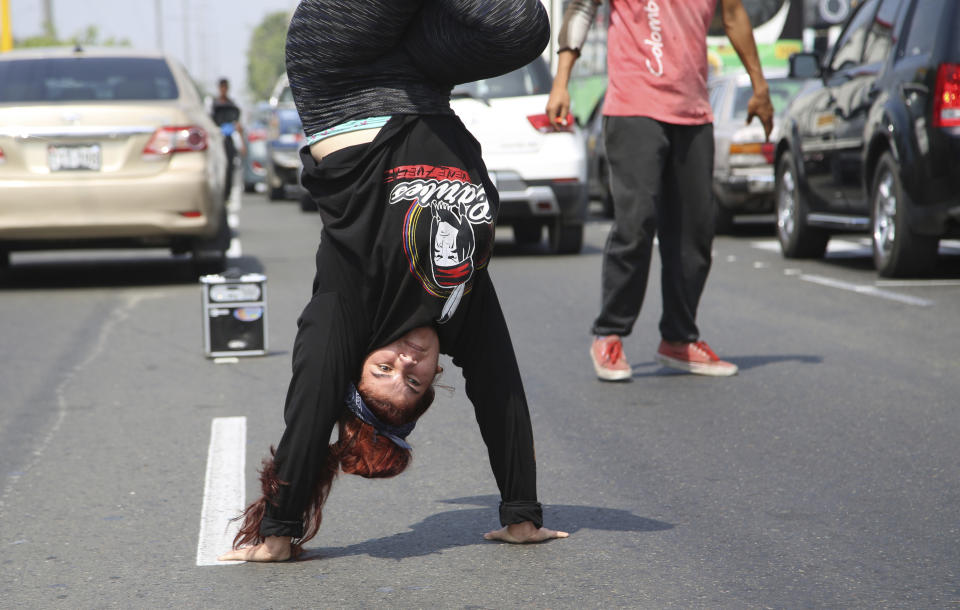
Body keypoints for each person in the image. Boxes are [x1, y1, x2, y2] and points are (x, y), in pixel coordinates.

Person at [219, 0, 568, 563]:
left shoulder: (348, 302)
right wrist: (521, 516)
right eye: (413, 379)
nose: (406, 361)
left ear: (360, 359)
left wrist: (279, 530)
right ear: (435, 380)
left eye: (383, 370)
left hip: (339, 72)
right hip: (425, 82)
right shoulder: (455, 301)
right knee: (523, 30)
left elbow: (311, 407)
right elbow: (500, 393)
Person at [546, 0, 774, 380]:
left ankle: (679, 338)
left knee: (695, 230)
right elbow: (583, 9)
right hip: (634, 107)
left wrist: (760, 85)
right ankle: (610, 333)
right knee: (636, 222)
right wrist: (561, 81)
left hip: (693, 111)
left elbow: (733, 15)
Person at [210, 77, 245, 201]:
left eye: (225, 87)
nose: (223, 90)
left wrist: (242, 144)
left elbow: (238, 126)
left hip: (229, 141)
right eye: (221, 87)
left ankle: (227, 195)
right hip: (217, 141)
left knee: (230, 167)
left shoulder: (232, 106)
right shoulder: (214, 106)